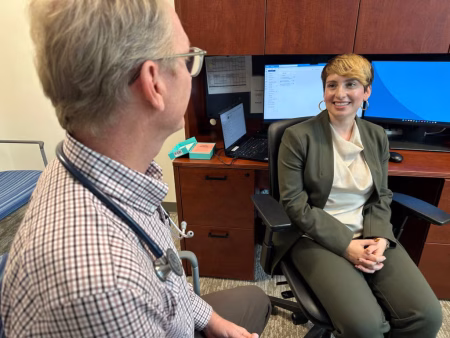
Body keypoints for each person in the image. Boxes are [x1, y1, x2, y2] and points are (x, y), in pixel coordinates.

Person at [0, 0, 271, 337]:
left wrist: (215, 324)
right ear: (154, 82)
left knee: (255, 299)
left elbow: (168, 277)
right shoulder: (105, 288)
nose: (191, 70)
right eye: (188, 58)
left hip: (170, 316)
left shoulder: (100, 164)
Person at [273, 54, 442, 337]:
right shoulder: (298, 136)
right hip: (313, 237)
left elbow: (381, 195)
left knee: (426, 316)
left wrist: (380, 237)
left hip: (368, 233)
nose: (339, 94)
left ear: (366, 92)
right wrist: (346, 245)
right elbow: (294, 205)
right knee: (365, 327)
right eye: (332, 85)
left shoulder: (376, 136)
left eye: (351, 84)